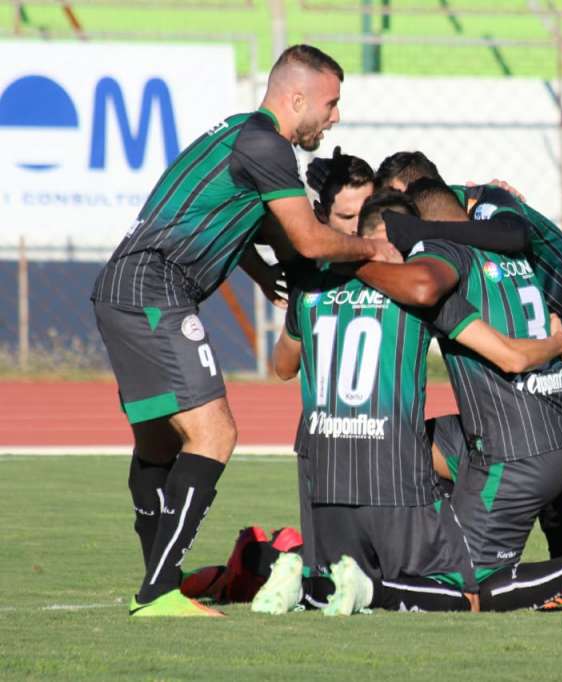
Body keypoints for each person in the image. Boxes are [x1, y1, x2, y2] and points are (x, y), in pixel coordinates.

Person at [90, 44, 401, 618]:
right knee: (215, 435)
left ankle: (161, 577)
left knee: (159, 443)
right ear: (297, 97)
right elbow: (307, 239)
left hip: (124, 287)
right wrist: (372, 248)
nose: (335, 117)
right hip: (156, 288)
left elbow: (235, 211)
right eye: (331, 103)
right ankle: (158, 591)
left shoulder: (237, 131)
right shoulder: (268, 145)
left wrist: (257, 270)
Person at [258, 189, 562, 615]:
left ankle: (300, 581)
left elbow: (282, 365)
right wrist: (556, 345)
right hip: (391, 472)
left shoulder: (310, 287)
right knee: (467, 594)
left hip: (324, 469)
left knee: (343, 573)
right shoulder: (414, 293)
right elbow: (511, 355)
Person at [348, 151, 562, 604]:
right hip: (544, 325)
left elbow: (510, 233)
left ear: (410, 191)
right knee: (533, 439)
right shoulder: (456, 226)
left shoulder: (487, 202)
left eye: (391, 204)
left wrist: (415, 233)